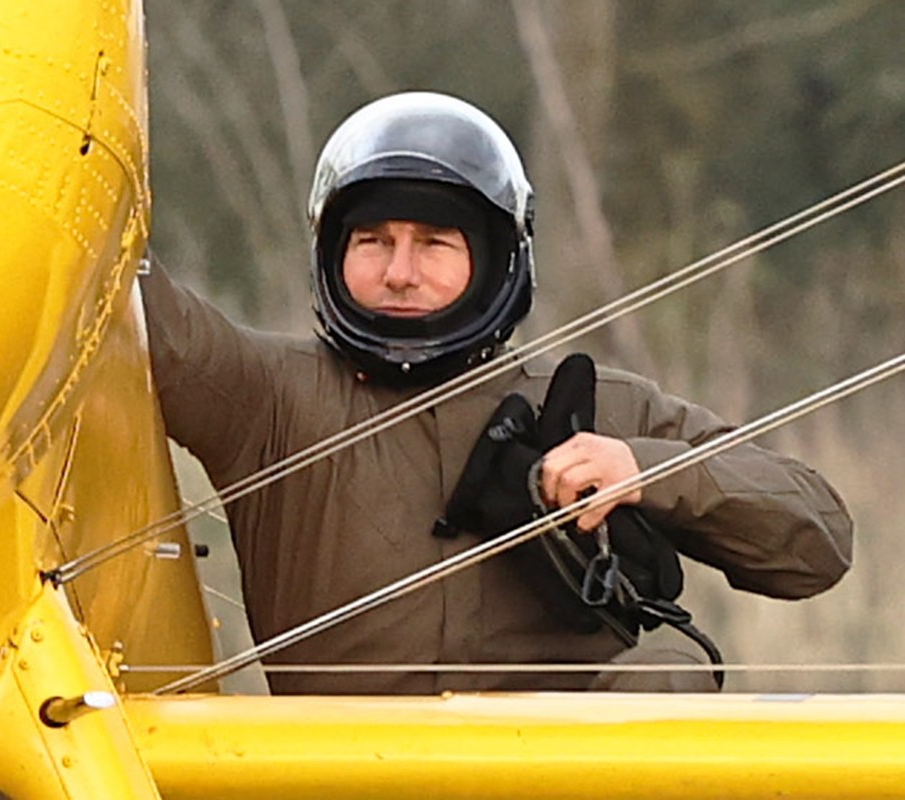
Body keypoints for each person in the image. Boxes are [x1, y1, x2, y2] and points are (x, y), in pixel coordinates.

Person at [141, 91, 853, 695]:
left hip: (560, 780)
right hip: (346, 779)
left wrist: (645, 471)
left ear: (494, 260)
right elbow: (129, 300)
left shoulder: (605, 405)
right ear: (332, 253)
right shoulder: (264, 394)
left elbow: (818, 543)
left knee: (673, 668)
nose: (399, 271)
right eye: (372, 241)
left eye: (433, 243)